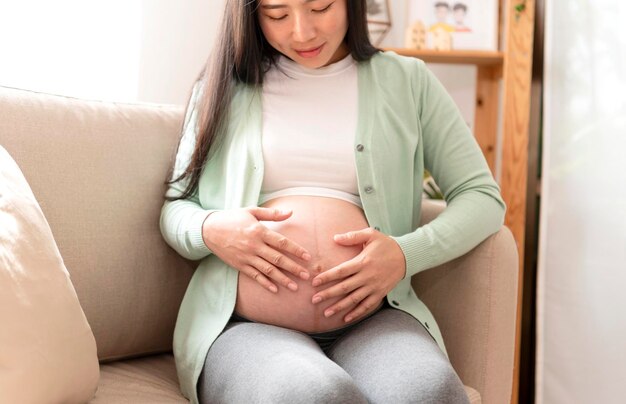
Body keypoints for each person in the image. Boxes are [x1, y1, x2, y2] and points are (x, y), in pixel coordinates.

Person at [160, 0, 505, 403]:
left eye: (320, 7)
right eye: (277, 14)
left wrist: (404, 255)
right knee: (311, 395)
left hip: (372, 322)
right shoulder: (222, 89)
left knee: (430, 392)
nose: (302, 32)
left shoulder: (407, 81)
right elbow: (176, 208)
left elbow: (482, 197)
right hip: (246, 325)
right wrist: (213, 230)